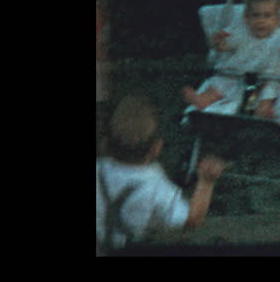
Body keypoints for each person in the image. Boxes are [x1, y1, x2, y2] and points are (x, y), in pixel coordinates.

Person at [96, 95, 226, 255]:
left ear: (105, 142)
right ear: (157, 148)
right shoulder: (156, 185)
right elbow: (192, 220)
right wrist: (206, 182)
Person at [182, 0, 280, 127]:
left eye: (267, 16)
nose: (261, 21)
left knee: (267, 94)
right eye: (255, 15)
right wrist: (218, 43)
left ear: (277, 19)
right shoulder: (240, 31)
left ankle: (265, 112)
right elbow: (224, 47)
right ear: (246, 18)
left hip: (271, 77)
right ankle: (202, 100)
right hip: (238, 75)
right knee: (221, 85)